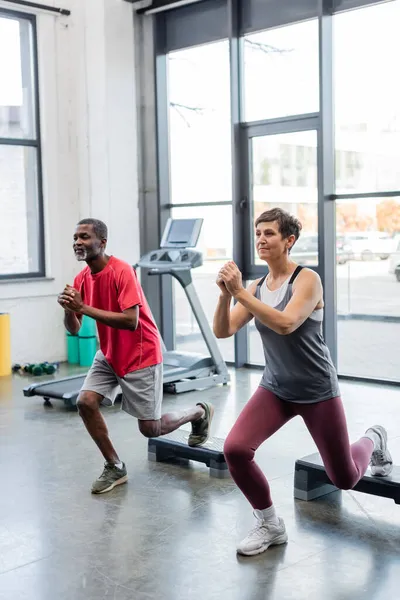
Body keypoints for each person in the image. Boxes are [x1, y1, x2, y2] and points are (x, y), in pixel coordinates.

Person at [213, 207, 393, 557]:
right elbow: (223, 330)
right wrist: (225, 294)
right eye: (258, 233)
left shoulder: (307, 280)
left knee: (344, 478)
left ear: (289, 240)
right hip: (276, 388)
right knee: (235, 449)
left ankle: (373, 438)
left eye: (270, 233)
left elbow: (285, 323)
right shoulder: (256, 287)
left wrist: (241, 293)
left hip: (317, 391)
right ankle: (269, 523)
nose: (261, 239)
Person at [58, 218, 213, 494]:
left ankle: (199, 412)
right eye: (75, 238)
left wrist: (84, 307)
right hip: (109, 353)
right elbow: (75, 328)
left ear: (102, 242)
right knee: (85, 402)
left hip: (140, 354)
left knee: (150, 429)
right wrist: (71, 309)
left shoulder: (122, 271)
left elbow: (131, 321)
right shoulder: (81, 278)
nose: (77, 243)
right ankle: (114, 466)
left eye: (84, 237)